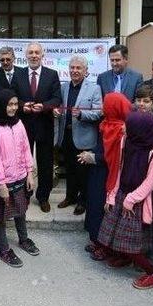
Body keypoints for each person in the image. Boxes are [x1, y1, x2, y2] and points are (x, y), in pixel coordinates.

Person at [97, 112, 153, 290]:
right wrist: (112, 194)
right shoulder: (125, 142)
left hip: (137, 202)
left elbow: (151, 181)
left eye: (128, 125)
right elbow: (119, 170)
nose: (123, 127)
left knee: (131, 243)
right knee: (114, 234)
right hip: (121, 195)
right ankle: (124, 258)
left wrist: (132, 199)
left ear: (139, 129)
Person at [0, 89, 39, 267]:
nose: (13, 108)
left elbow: (26, 148)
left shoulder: (18, 123)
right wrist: (1, 184)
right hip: (3, 181)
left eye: (16, 104)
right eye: (9, 104)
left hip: (20, 177)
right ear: (2, 105)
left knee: (21, 210)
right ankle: (4, 249)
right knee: (0, 217)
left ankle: (23, 239)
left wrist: (29, 173)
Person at [12, 42, 62, 213]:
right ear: (26, 55)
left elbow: (57, 99)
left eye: (37, 53)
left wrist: (44, 106)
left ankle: (43, 197)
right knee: (22, 162)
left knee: (45, 163)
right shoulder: (18, 74)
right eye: (31, 53)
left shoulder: (52, 74)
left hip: (44, 125)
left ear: (42, 55)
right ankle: (24, 195)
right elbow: (12, 97)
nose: (34, 55)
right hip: (23, 126)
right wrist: (21, 105)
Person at [54, 55, 103, 215]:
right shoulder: (64, 87)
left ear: (86, 71)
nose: (74, 71)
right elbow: (60, 107)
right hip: (66, 136)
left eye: (78, 68)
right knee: (69, 170)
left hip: (84, 138)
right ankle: (70, 197)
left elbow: (98, 112)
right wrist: (57, 112)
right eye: (72, 68)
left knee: (83, 173)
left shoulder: (94, 88)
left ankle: (83, 201)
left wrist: (81, 114)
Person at [89, 92, 132, 261]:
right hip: (98, 171)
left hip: (111, 175)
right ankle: (97, 241)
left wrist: (94, 157)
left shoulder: (121, 129)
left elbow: (114, 156)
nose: (103, 107)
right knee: (94, 204)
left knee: (104, 209)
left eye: (106, 104)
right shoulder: (106, 123)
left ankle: (105, 246)